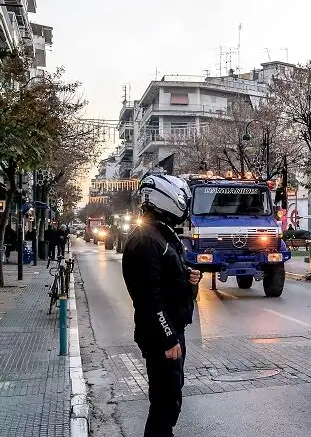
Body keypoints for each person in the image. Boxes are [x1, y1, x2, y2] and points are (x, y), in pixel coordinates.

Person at [122, 174, 201, 437]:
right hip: (160, 335)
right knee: (164, 403)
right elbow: (148, 298)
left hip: (169, 329)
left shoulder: (160, 234)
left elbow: (165, 280)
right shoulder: (146, 240)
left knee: (169, 400)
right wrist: (168, 339)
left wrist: (189, 277)